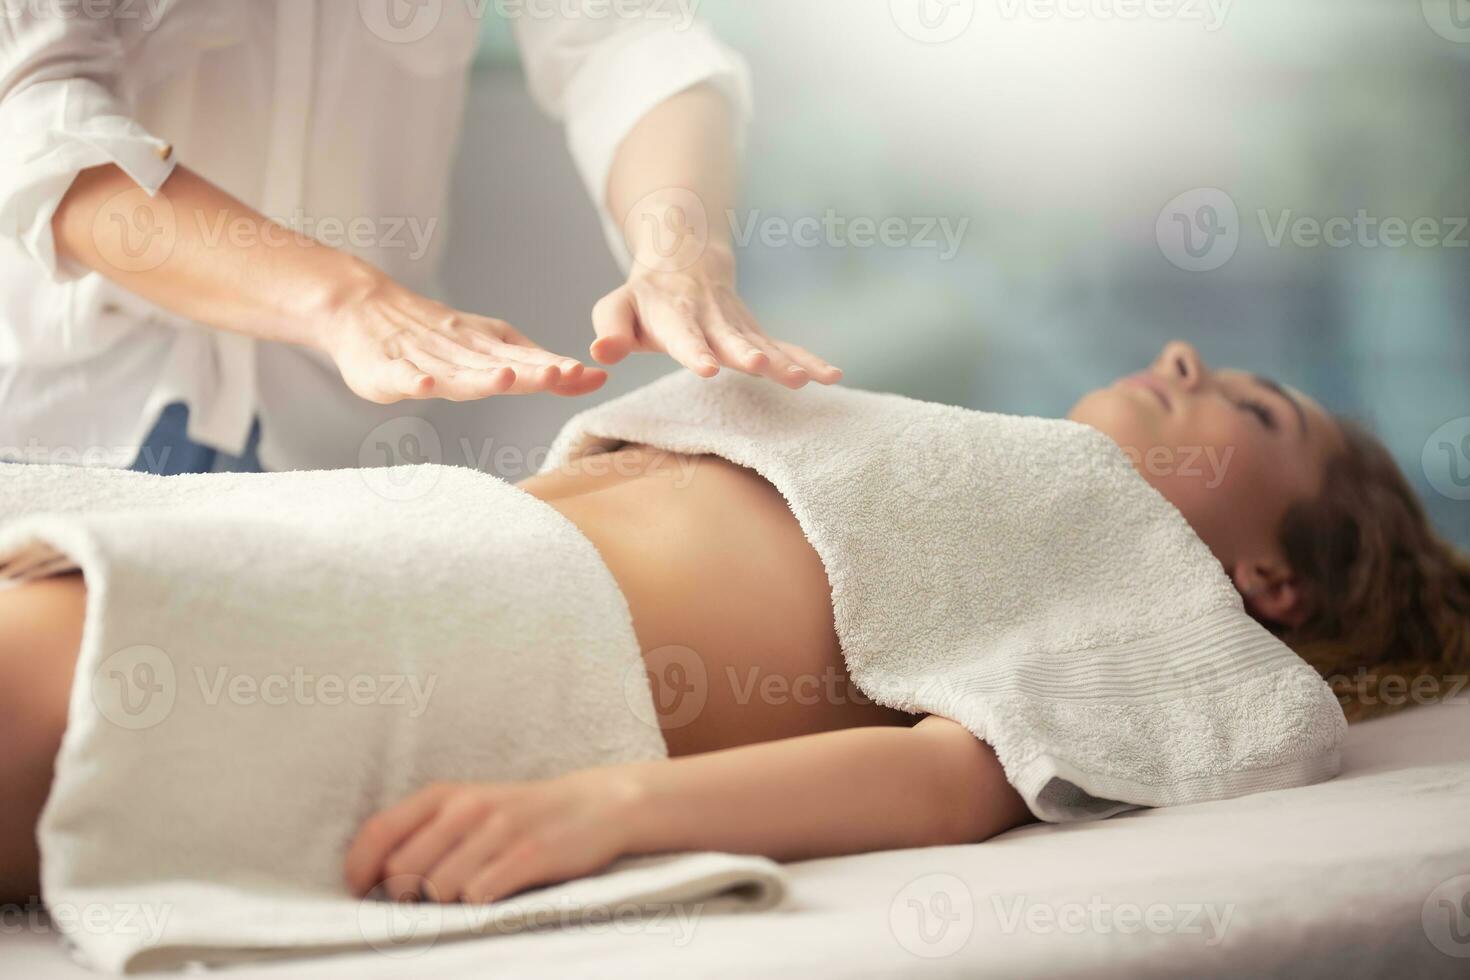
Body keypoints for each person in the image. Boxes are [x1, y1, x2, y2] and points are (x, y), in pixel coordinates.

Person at [1, 341, 1465, 905]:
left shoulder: (1180, 618)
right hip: (413, 527)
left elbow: (959, 779)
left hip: (493, 623)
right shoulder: (986, 449)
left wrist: (611, 810)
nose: (1182, 355)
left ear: (1273, 581)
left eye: (1255, 406)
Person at [0, 1, 840, 476]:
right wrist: (339, 299)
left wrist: (679, 252)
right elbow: (33, 126)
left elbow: (626, 36)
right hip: (66, 425)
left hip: (343, 438)